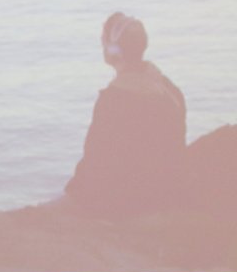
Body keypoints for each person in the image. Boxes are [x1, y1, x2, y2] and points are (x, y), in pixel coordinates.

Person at [64, 12, 187, 218]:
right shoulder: (170, 89)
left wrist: (73, 190)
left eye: (104, 42)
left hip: (131, 203)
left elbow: (94, 161)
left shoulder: (113, 101)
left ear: (114, 51)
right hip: (167, 191)